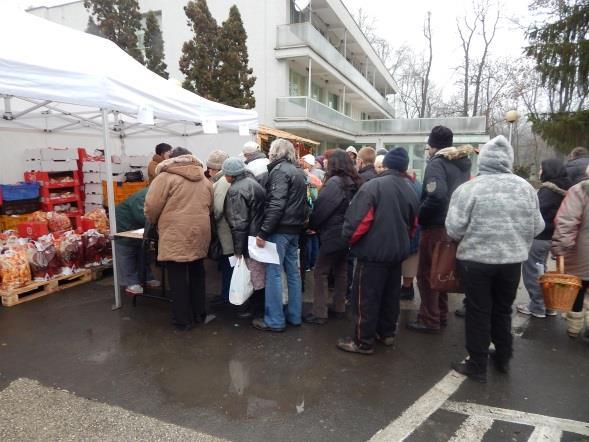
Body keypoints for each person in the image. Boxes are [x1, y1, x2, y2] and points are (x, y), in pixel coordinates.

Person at [446, 135, 544, 382]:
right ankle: (503, 357)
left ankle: (477, 364)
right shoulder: (526, 188)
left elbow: (454, 229)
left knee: (478, 311)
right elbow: (537, 226)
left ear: (484, 160)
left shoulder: (468, 188)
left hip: (475, 262)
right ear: (508, 160)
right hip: (511, 262)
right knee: (502, 309)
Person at [337, 147, 418, 354]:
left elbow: (358, 222)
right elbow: (413, 224)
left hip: (373, 253)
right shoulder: (410, 188)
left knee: (366, 298)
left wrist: (349, 241)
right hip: (397, 252)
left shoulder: (373, 187)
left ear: (387, 164)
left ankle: (362, 341)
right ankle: (386, 333)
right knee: (390, 296)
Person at [407, 126, 472, 333]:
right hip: (453, 226)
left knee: (426, 274)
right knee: (442, 272)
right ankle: (440, 314)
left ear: (433, 146)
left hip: (435, 227)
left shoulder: (437, 163)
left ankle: (429, 319)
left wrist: (421, 215)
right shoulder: (461, 164)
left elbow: (436, 195)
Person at [144, 147, 213, 331]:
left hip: (175, 232)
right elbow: (210, 206)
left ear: (172, 160)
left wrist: (155, 222)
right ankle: (199, 313)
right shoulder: (204, 180)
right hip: (200, 231)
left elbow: (151, 207)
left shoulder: (165, 178)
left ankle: (182, 320)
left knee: (178, 277)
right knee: (198, 272)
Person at [254, 139, 307, 332]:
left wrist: (263, 232)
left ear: (276, 152)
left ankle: (275, 320)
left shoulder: (279, 172)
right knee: (293, 274)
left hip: (280, 230)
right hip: (294, 230)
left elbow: (276, 204)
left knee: (274, 274)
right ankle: (294, 316)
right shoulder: (298, 172)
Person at [304, 149, 362, 325]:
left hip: (333, 232)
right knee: (341, 271)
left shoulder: (335, 183)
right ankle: (339, 307)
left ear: (335, 163)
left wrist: (311, 225)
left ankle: (319, 312)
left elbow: (322, 208)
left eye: (328, 160)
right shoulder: (354, 181)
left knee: (320, 272)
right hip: (347, 232)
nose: (325, 163)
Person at [517, 159, 571, 318]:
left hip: (540, 237)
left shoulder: (548, 190)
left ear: (549, 170)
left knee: (533, 272)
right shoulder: (566, 187)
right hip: (552, 236)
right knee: (542, 271)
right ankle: (548, 305)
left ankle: (537, 306)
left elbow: (537, 213)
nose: (540, 172)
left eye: (541, 169)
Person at [223, 157, 267, 318]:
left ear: (230, 175)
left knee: (253, 277)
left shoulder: (235, 190)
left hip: (249, 239)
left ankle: (257, 310)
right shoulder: (253, 183)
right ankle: (259, 308)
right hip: (258, 236)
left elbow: (239, 223)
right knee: (259, 275)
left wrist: (238, 250)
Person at [551, 164, 589, 339]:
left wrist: (560, 247)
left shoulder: (581, 190)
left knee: (578, 287)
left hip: (583, 252)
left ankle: (574, 326)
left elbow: (567, 221)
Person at [114, 187, 158, 295]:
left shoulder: (153, 194)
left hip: (136, 226)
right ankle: (131, 283)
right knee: (126, 252)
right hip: (124, 224)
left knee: (142, 251)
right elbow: (142, 216)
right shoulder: (142, 197)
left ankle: (147, 277)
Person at [211, 149, 233, 306]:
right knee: (230, 265)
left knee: (228, 266)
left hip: (226, 232)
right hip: (232, 231)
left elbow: (218, 208)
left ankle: (227, 297)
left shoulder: (222, 182)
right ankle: (228, 295)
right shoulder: (230, 179)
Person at [400, 168, 423, 301]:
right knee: (411, 259)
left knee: (407, 260)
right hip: (416, 227)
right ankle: (407, 287)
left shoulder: (402, 184)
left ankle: (406, 289)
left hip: (406, 227)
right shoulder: (418, 184)